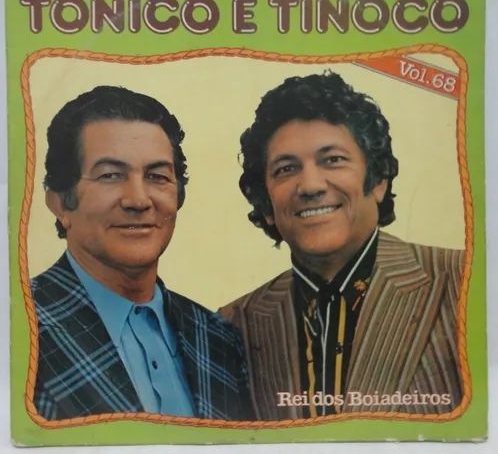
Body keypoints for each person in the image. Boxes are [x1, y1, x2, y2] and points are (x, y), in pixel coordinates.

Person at [220, 72, 464, 420]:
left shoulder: (466, 282)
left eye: (332, 159)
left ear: (377, 180)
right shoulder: (231, 326)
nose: (310, 185)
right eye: (286, 169)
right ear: (267, 204)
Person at [31, 86, 252, 421]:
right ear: (60, 203)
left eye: (157, 176)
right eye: (110, 175)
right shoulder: (21, 326)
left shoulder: (219, 338)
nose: (138, 200)